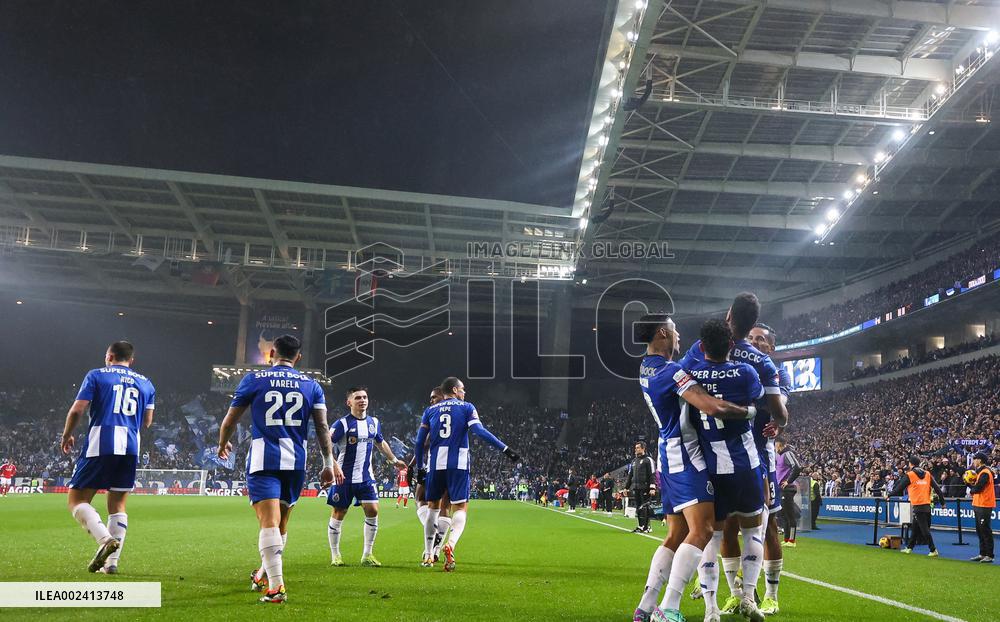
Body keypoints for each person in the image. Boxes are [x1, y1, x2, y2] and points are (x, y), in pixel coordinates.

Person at [630, 313, 756, 622]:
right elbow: (712, 406)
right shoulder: (671, 373)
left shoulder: (647, 366)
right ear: (663, 332)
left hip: (667, 452)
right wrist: (749, 411)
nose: (679, 337)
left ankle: (645, 606)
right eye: (674, 331)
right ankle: (669, 608)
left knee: (676, 535)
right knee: (702, 529)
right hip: (685, 455)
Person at [681, 299, 789, 619]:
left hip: (717, 460)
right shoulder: (754, 368)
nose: (756, 342)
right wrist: (771, 417)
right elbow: (777, 409)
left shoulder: (695, 361)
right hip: (747, 459)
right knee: (746, 528)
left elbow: (684, 389)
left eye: (763, 339)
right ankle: (742, 596)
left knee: (725, 531)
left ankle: (759, 596)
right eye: (753, 335)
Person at [217, 334, 341, 604]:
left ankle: (276, 588)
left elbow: (230, 420)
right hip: (296, 461)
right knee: (281, 524)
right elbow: (321, 427)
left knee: (269, 523)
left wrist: (223, 442)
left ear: (272, 353)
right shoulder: (311, 385)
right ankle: (264, 572)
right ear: (298, 357)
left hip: (264, 459)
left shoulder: (254, 380)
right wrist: (328, 463)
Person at [61, 341, 155, 575]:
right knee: (117, 504)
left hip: (101, 443)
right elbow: (147, 421)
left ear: (109, 356)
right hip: (131, 446)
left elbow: (77, 409)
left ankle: (104, 539)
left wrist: (67, 435)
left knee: (76, 500)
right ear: (131, 360)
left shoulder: (97, 375)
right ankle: (111, 564)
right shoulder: (146, 383)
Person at [415, 377, 519, 571]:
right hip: (459, 465)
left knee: (433, 507)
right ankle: (450, 544)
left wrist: (421, 467)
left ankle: (428, 554)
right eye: (463, 389)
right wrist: (505, 449)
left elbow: (419, 442)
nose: (464, 393)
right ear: (455, 390)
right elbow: (479, 431)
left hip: (436, 465)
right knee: (460, 508)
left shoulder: (430, 411)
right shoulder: (466, 407)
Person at [326, 386, 406, 567]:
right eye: (358, 398)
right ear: (349, 403)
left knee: (373, 510)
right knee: (339, 512)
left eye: (365, 397)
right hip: (343, 477)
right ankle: (335, 555)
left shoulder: (374, 422)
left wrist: (394, 460)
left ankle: (367, 555)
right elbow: (326, 444)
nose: (362, 400)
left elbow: (380, 442)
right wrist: (335, 467)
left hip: (365, 477)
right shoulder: (342, 424)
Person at [887, 456, 945, 557]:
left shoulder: (910, 475)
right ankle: (909, 547)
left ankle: (933, 549)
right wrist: (943, 503)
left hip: (918, 505)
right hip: (927, 505)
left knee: (924, 529)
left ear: (910, 464)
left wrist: (889, 495)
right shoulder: (927, 474)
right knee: (915, 527)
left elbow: (899, 488)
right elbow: (938, 489)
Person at [967, 452, 995, 563]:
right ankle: (982, 553)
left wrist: (969, 486)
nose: (974, 461)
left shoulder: (985, 473)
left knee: (985, 530)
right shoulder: (980, 473)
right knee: (980, 530)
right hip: (978, 504)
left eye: (975, 459)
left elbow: (978, 488)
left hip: (985, 504)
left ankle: (990, 555)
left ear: (980, 460)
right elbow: (976, 488)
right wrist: (970, 485)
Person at [776, 438, 803, 547]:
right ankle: (787, 539)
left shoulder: (787, 453)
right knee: (785, 514)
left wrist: (788, 481)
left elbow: (797, 467)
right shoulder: (780, 456)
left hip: (788, 488)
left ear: (780, 445)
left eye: (776, 445)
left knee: (790, 514)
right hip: (783, 488)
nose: (775, 447)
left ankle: (792, 540)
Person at [625, 442, 656, 533]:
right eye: (635, 448)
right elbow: (630, 475)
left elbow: (652, 474)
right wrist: (626, 488)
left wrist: (652, 488)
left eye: (638, 447)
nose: (636, 449)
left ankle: (647, 527)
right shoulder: (634, 461)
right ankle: (641, 526)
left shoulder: (648, 460)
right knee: (639, 508)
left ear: (643, 449)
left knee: (645, 507)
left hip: (645, 487)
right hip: (636, 488)